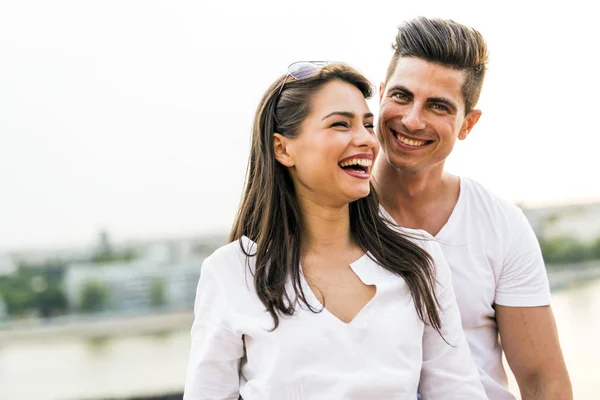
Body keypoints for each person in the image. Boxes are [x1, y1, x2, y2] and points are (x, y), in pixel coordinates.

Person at [183, 62, 487, 399]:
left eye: (368, 125)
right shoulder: (231, 273)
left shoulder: (420, 259)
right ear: (283, 148)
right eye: (341, 124)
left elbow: (457, 390)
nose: (366, 140)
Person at [372, 17, 572, 400]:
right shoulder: (330, 213)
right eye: (401, 96)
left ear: (468, 123)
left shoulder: (501, 225)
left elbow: (543, 381)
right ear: (380, 94)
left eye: (438, 106)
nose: (412, 120)